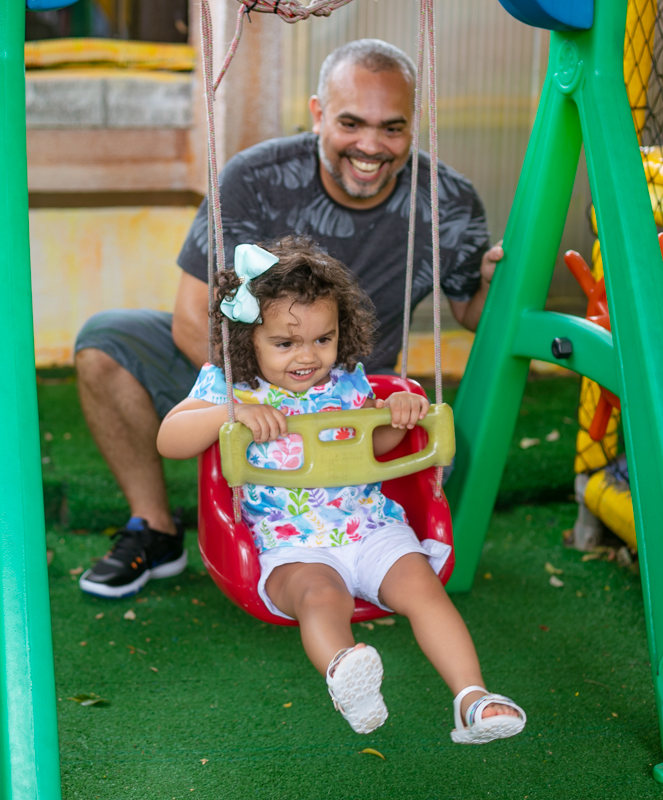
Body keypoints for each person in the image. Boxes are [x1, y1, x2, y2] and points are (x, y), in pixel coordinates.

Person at [74, 37, 502, 598]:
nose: (371, 145)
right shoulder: (255, 177)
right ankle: (155, 530)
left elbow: (473, 313)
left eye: (392, 128)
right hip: (241, 369)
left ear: (412, 126)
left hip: (350, 391)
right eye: (351, 123)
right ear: (318, 113)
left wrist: (499, 281)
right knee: (106, 341)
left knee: (446, 453)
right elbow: (188, 320)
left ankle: (352, 545)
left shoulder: (446, 198)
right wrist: (250, 400)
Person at [158, 237, 525, 742]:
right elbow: (169, 438)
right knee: (320, 597)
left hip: (369, 523)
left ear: (340, 333)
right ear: (248, 340)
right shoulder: (230, 386)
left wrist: (399, 417)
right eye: (285, 344)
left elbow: (378, 443)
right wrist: (235, 414)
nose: (307, 357)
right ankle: (348, 675)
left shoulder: (348, 382)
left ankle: (472, 697)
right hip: (291, 541)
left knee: (426, 592)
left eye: (322, 340)